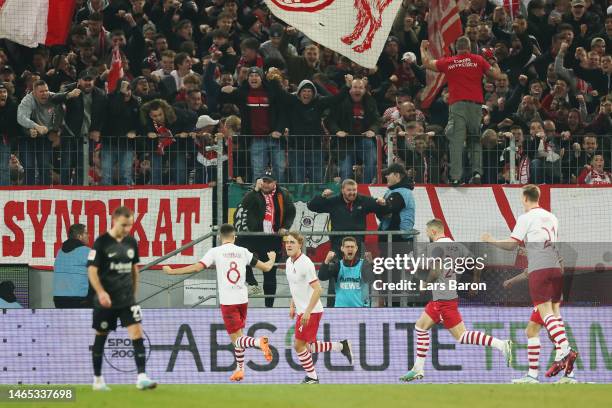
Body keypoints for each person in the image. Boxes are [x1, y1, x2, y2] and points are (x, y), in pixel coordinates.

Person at [481, 184, 578, 378]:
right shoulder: (552, 217)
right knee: (546, 320)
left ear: (525, 198)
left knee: (547, 313)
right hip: (555, 269)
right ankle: (560, 372)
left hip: (539, 270)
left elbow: (511, 245)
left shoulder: (526, 217)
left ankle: (566, 351)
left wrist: (490, 239)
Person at [400, 219, 513, 382]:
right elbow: (477, 263)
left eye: (428, 234)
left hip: (443, 300)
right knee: (420, 326)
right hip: (445, 297)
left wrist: (425, 283)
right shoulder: (458, 246)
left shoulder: (435, 247)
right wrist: (475, 282)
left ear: (433, 232)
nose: (428, 237)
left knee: (461, 336)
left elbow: (436, 269)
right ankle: (418, 368)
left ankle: (502, 345)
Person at [163, 224, 276, 382]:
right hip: (243, 299)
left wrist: (172, 271)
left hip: (228, 301)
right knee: (239, 336)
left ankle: (259, 341)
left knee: (236, 339)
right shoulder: (243, 251)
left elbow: (197, 268)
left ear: (219, 237)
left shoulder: (215, 252)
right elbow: (265, 268)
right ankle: (240, 369)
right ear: (234, 236)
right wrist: (272, 259)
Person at [87, 206, 157, 391]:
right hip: (106, 301)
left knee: (137, 334)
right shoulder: (101, 242)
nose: (127, 229)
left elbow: (135, 269)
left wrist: (133, 295)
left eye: (130, 225)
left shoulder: (132, 242)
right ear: (114, 220)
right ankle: (98, 380)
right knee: (101, 336)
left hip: (127, 300)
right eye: (124, 225)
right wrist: (101, 292)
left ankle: (141, 377)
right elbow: (92, 270)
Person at [420, 37, 503, 184]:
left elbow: (427, 63)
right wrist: (492, 60)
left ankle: (456, 178)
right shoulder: (478, 60)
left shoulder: (449, 61)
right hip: (476, 106)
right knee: (475, 139)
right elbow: (497, 75)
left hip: (457, 105)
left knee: (456, 141)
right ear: (469, 47)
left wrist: (423, 48)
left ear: (456, 48)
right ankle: (477, 173)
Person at [283, 231, 353, 384]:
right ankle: (341, 346)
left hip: (311, 311)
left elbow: (318, 289)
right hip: (303, 310)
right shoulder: (289, 262)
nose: (288, 245)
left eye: (292, 242)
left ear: (300, 244)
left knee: (298, 345)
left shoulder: (305, 263)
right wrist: (293, 304)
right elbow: (295, 286)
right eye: (287, 242)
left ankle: (312, 377)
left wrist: (307, 311)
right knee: (308, 346)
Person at [307, 179, 385, 306]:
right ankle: (332, 308)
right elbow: (312, 206)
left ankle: (364, 306)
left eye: (354, 190)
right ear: (342, 190)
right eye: (349, 190)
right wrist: (321, 196)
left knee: (362, 279)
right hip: (337, 248)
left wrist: (382, 203)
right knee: (334, 279)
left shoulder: (363, 200)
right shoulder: (333, 201)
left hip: (358, 248)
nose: (352, 193)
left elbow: (379, 206)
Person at [503, 264, 577, 384]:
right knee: (545, 334)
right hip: (553, 294)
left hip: (546, 296)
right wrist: (513, 280)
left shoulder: (539, 251)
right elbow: (530, 271)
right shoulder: (546, 252)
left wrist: (512, 280)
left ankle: (534, 375)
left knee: (531, 331)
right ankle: (569, 375)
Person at [238, 171, 296, 306]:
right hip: (254, 236)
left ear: (274, 183)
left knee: (270, 273)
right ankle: (252, 282)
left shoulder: (283, 194)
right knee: (239, 251)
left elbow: (291, 212)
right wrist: (255, 190)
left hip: (273, 238)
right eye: (263, 181)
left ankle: (269, 307)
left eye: (269, 181)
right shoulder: (254, 192)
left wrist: (286, 227)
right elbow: (244, 205)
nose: (265, 184)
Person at [17, 80, 80, 185]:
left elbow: (60, 107)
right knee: (29, 167)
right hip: (27, 138)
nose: (45, 93)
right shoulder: (27, 100)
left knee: (45, 167)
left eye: (46, 90)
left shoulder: (52, 97)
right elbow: (21, 118)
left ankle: (45, 193)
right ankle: (28, 195)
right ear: (34, 92)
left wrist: (55, 130)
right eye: (41, 92)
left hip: (45, 137)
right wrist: (32, 128)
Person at [325, 78, 381, 183]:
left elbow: (377, 120)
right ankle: (345, 193)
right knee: (346, 170)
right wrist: (337, 131)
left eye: (361, 88)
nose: (357, 90)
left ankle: (366, 188)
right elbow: (329, 120)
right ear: (350, 90)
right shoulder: (340, 102)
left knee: (372, 159)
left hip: (363, 139)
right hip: (344, 141)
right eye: (355, 87)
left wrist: (373, 130)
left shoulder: (370, 101)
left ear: (364, 90)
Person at [318, 237, 373, 307]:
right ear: (342, 248)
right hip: (340, 310)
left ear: (356, 248)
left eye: (352, 247)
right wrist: (326, 260)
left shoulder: (363, 265)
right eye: (347, 247)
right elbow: (322, 277)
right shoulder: (338, 266)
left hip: (360, 309)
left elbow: (371, 280)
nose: (350, 249)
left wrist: (371, 263)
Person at [53, 223, 92, 308]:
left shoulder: (59, 252)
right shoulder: (88, 252)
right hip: (79, 300)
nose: (88, 235)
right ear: (79, 236)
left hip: (58, 299)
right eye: (86, 233)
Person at [378, 163, 416, 243]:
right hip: (391, 240)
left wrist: (380, 207)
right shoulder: (393, 191)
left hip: (398, 242)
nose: (386, 176)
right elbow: (381, 213)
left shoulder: (402, 192)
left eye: (388, 174)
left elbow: (386, 209)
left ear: (397, 176)